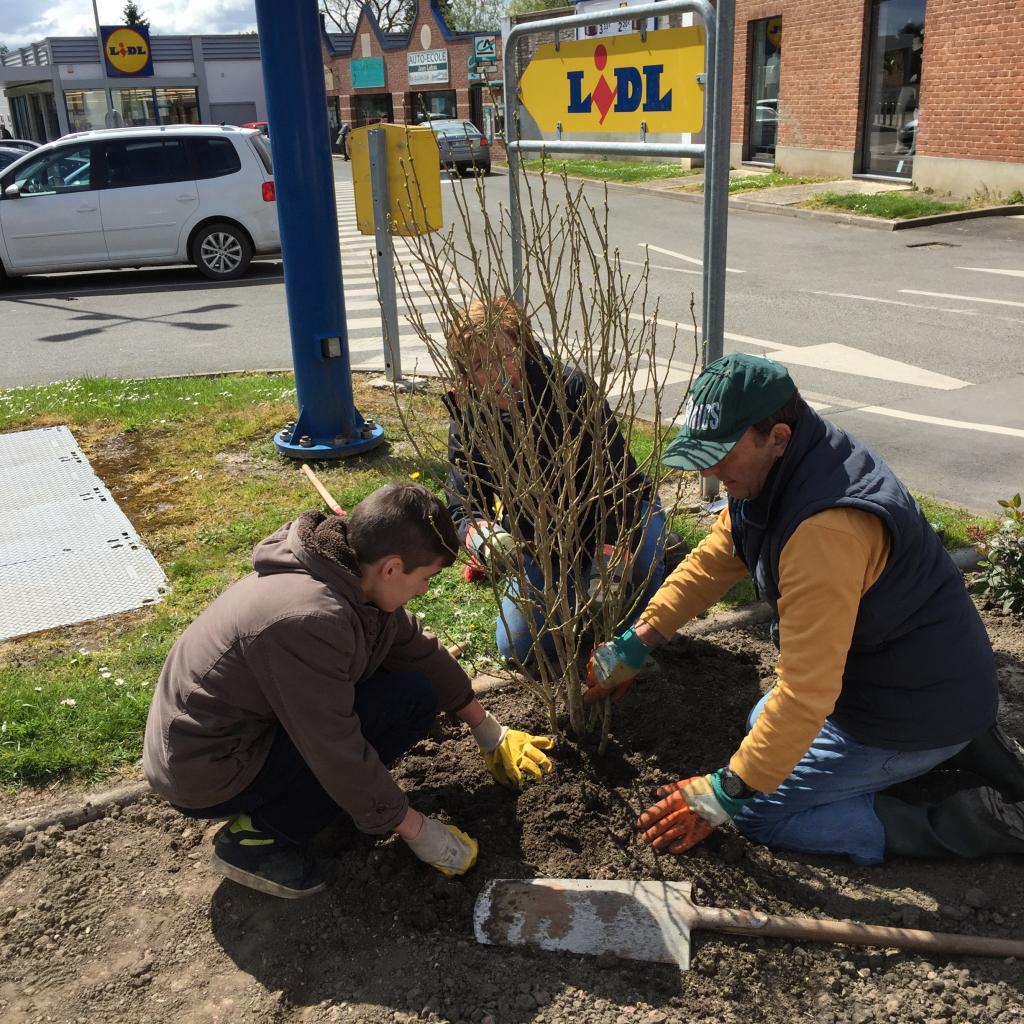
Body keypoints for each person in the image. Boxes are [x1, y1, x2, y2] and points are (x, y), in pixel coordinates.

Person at [586, 352, 1024, 865]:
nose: (709, 469)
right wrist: (638, 640)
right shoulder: (794, 462)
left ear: (777, 438)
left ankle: (957, 824)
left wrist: (722, 793)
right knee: (760, 724)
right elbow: (717, 557)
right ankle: (961, 744)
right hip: (923, 678)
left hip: (905, 710)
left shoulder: (824, 531)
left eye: (722, 453)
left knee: (757, 810)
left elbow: (806, 689)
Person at [143, 482, 554, 899]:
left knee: (412, 695)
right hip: (207, 768)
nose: (426, 590)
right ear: (392, 568)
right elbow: (333, 747)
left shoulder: (348, 571)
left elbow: (417, 651)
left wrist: (487, 728)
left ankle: (317, 803)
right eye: (426, 577)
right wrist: (415, 828)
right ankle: (259, 837)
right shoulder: (306, 621)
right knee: (367, 735)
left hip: (246, 731)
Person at [443, 296, 668, 667]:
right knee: (519, 648)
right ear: (465, 374)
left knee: (637, 567)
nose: (498, 373)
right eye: (481, 365)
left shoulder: (571, 390)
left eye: (506, 355)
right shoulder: (469, 413)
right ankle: (582, 590)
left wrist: (608, 559)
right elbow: (461, 501)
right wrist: (483, 533)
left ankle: (650, 575)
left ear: (525, 346)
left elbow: (618, 484)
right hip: (543, 543)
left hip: (617, 517)